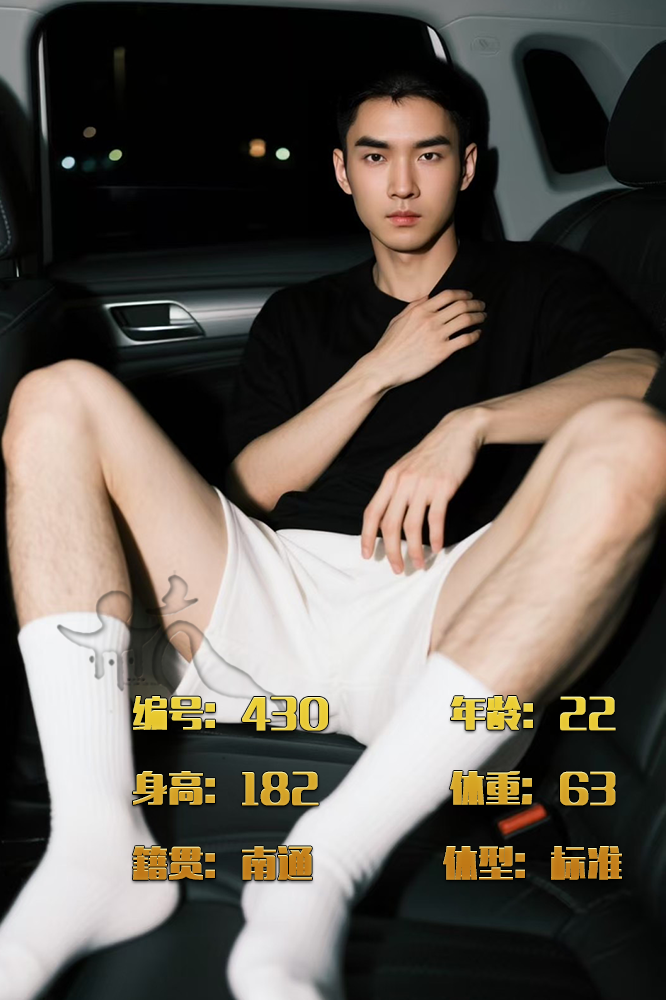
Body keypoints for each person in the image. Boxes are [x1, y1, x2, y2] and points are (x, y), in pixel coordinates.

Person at [0, 63, 663, 1000]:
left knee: (638, 441)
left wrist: (468, 425)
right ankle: (93, 848)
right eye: (376, 157)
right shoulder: (302, 312)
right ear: (344, 171)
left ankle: (325, 866)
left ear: (469, 166)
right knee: (54, 394)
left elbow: (639, 374)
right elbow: (248, 487)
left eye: (429, 155)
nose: (403, 184)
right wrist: (379, 370)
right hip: (271, 590)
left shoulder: (541, 280)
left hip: (449, 620)